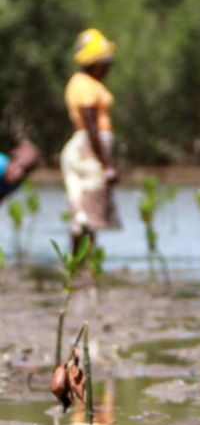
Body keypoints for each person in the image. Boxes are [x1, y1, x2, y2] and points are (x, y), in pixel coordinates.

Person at [60, 28, 120, 255]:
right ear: (97, 63)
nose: (108, 68)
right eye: (106, 63)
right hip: (89, 150)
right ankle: (84, 267)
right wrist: (107, 164)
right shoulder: (85, 84)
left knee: (82, 214)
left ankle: (79, 267)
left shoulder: (80, 82)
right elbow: (90, 123)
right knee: (90, 214)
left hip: (83, 149)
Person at [0, 139, 40, 204]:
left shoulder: (15, 183)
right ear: (11, 160)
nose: (19, 174)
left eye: (26, 171)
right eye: (19, 166)